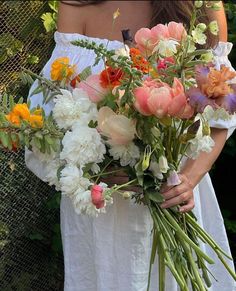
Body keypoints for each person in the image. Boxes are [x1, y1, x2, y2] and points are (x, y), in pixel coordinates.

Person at [25, 1, 236, 290]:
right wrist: (113, 176)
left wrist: (188, 179)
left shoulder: (203, 6)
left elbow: (220, 117)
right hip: (102, 206)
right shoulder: (77, 4)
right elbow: (52, 118)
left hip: (178, 199)